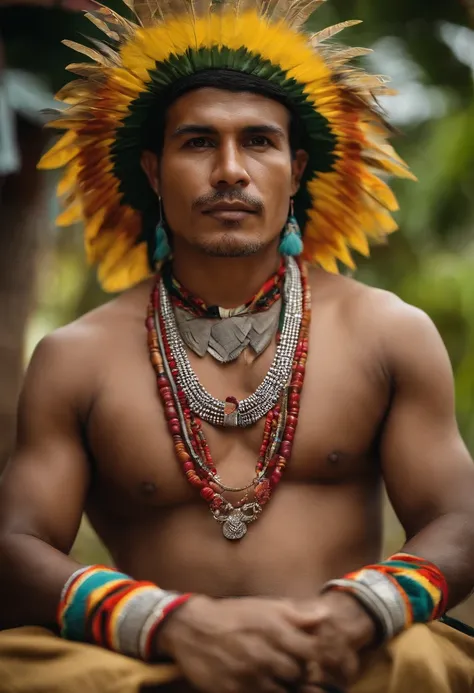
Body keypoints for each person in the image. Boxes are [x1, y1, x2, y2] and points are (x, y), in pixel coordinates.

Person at [0, 1, 474, 692]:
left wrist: (360, 612)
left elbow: (461, 518)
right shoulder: (77, 357)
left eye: (258, 140)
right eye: (198, 142)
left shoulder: (387, 332)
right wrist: (173, 624)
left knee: (426, 659)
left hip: (347, 663)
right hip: (151, 667)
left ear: (297, 166)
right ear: (155, 172)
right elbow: (13, 549)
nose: (229, 170)